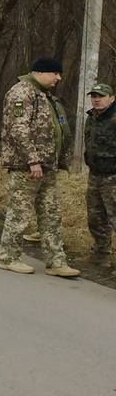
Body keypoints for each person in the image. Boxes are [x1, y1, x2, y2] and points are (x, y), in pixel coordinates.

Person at [0, 57, 79, 277]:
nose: (59, 78)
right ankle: (9, 257)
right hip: (27, 167)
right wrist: (32, 160)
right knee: (20, 213)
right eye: (55, 73)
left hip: (48, 166)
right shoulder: (21, 93)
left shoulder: (45, 95)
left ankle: (56, 261)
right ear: (41, 72)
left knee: (51, 214)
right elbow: (18, 128)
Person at [84, 82, 116, 266]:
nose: (96, 99)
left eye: (101, 96)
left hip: (113, 175)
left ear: (112, 98)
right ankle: (101, 253)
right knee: (95, 216)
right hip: (95, 174)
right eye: (94, 96)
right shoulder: (92, 117)